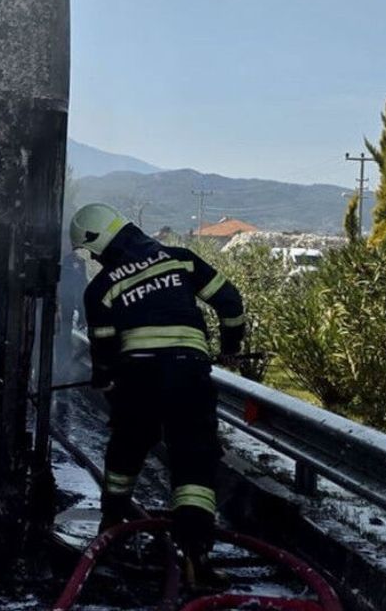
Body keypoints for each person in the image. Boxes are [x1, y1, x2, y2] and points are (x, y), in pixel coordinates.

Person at [71, 202, 245, 588]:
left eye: (92, 250)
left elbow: (104, 351)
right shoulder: (181, 260)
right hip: (189, 375)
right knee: (194, 459)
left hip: (139, 380)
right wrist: (231, 347)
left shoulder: (101, 287)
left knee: (126, 449)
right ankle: (196, 555)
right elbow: (230, 303)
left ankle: (111, 529)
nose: (94, 258)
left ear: (100, 242)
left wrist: (104, 379)